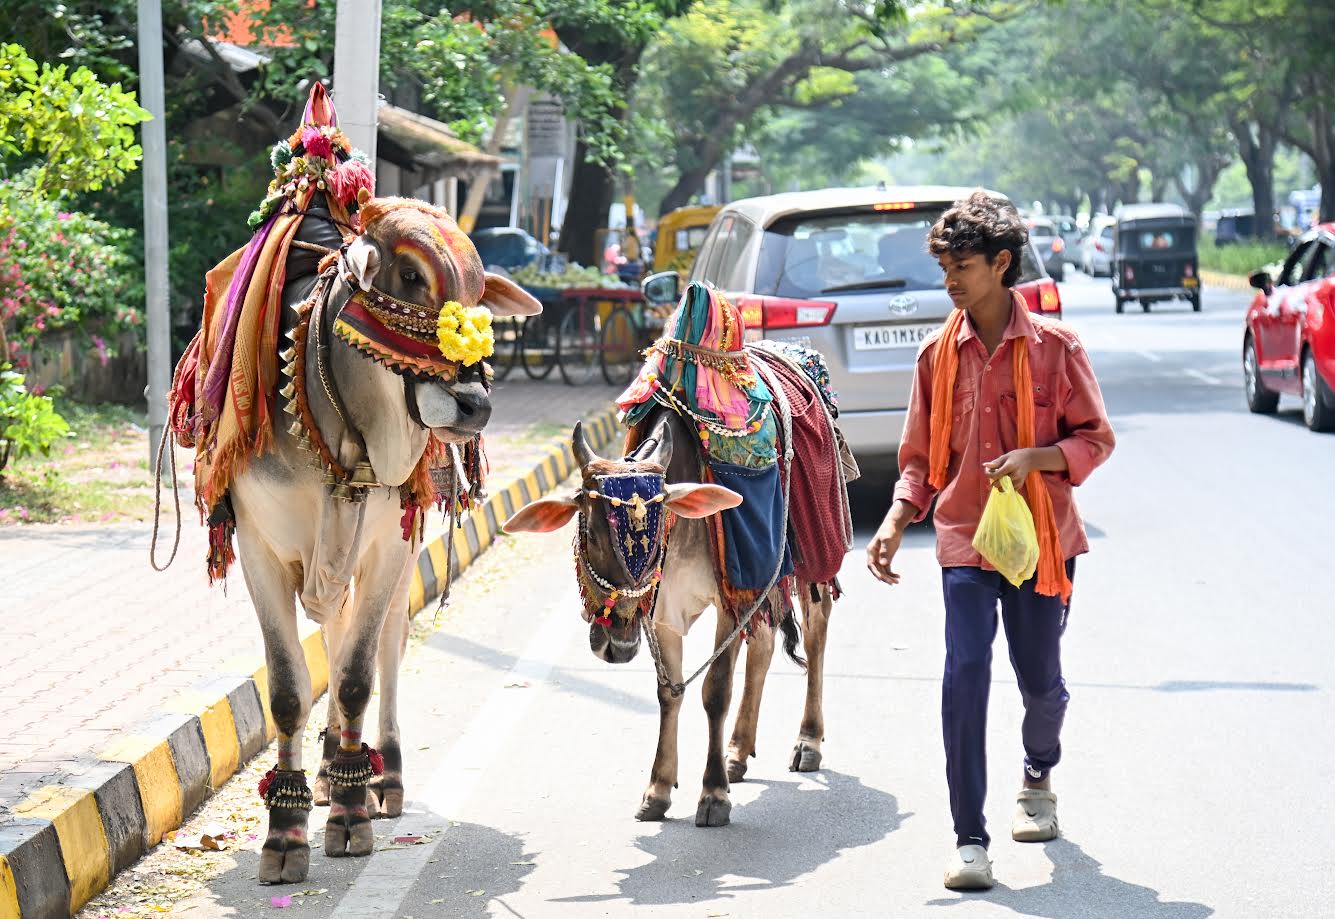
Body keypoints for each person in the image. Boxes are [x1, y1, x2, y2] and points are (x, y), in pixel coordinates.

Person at [865, 191, 1115, 891]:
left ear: (1001, 264)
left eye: (963, 265)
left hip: (1040, 540)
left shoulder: (1056, 349)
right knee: (963, 675)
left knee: (1041, 685)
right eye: (945, 265)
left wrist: (1035, 458)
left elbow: (1093, 438)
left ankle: (1037, 773)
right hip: (964, 539)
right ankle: (968, 838)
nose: (950, 279)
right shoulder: (935, 355)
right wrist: (893, 519)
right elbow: (919, 457)